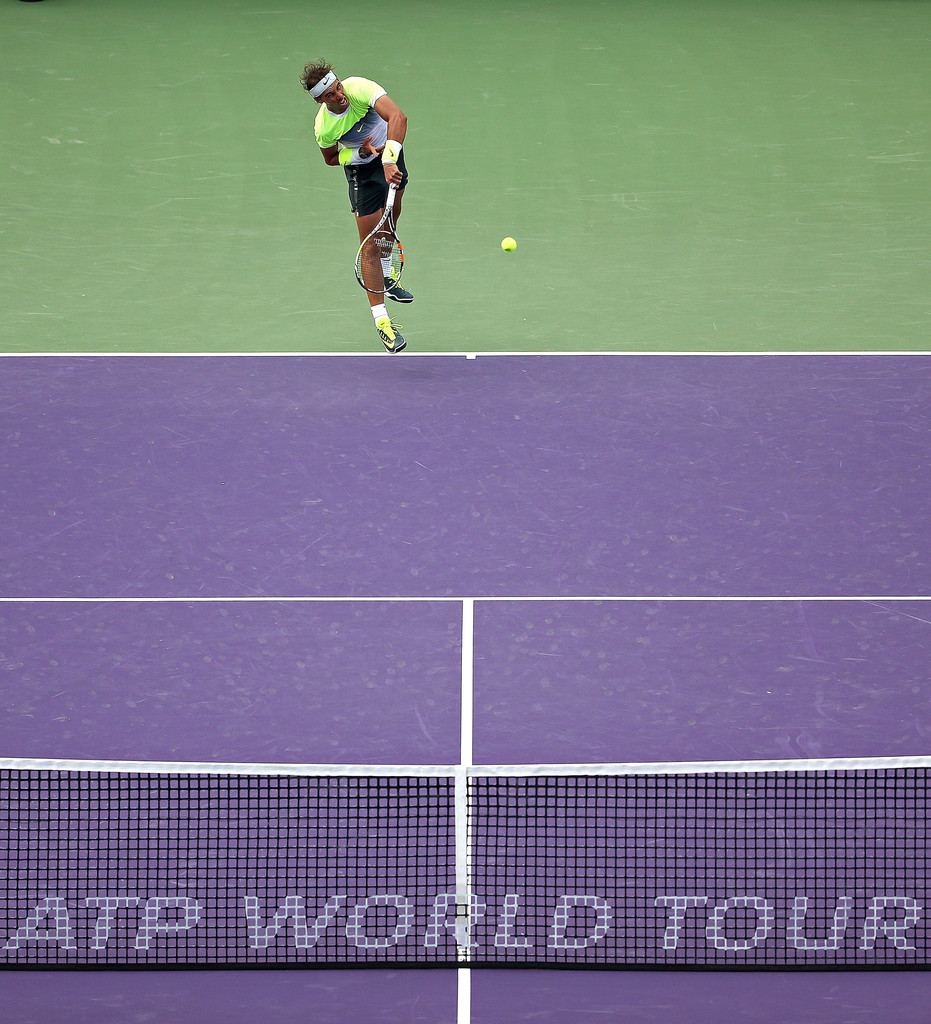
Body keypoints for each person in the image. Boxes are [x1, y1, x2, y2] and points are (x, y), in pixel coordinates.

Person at [301, 61, 412, 354]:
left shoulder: (359, 87)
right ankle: (383, 322)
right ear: (319, 100)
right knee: (371, 244)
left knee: (391, 221)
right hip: (362, 173)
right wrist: (359, 153)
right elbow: (331, 158)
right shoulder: (324, 127)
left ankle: (388, 274)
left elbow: (398, 117)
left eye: (338, 87)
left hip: (391, 153)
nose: (340, 95)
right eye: (331, 95)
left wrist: (388, 159)